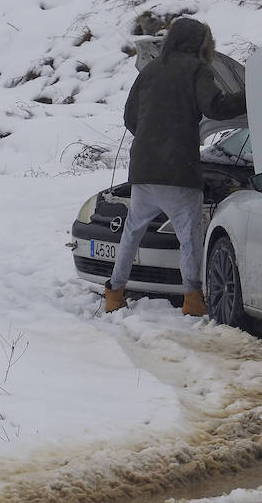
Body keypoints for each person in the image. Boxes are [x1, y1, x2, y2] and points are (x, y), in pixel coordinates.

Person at [106, 17, 247, 316]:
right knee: (189, 239)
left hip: (144, 169)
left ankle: (114, 293)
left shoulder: (150, 71)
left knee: (132, 232)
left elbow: (131, 118)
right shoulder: (197, 69)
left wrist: (150, 139)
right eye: (209, 43)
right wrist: (250, 95)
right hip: (179, 170)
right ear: (198, 43)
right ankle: (193, 299)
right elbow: (216, 108)